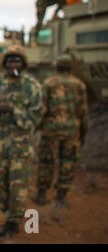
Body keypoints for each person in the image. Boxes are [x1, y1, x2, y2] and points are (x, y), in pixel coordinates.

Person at [0, 45, 42, 237]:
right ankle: (8, 216)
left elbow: (36, 118)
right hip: (1, 146)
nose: (13, 64)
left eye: (16, 60)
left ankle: (12, 224)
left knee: (18, 187)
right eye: (9, 61)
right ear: (4, 64)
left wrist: (13, 110)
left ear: (23, 63)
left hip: (21, 147)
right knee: (0, 186)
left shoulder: (32, 87)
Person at [35, 54, 89, 211]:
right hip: (72, 131)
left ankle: (42, 195)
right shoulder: (79, 84)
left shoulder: (48, 83)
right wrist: (83, 132)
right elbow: (83, 111)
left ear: (56, 66)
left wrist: (36, 129)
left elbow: (42, 109)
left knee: (46, 162)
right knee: (67, 164)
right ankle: (60, 198)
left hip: (51, 131)